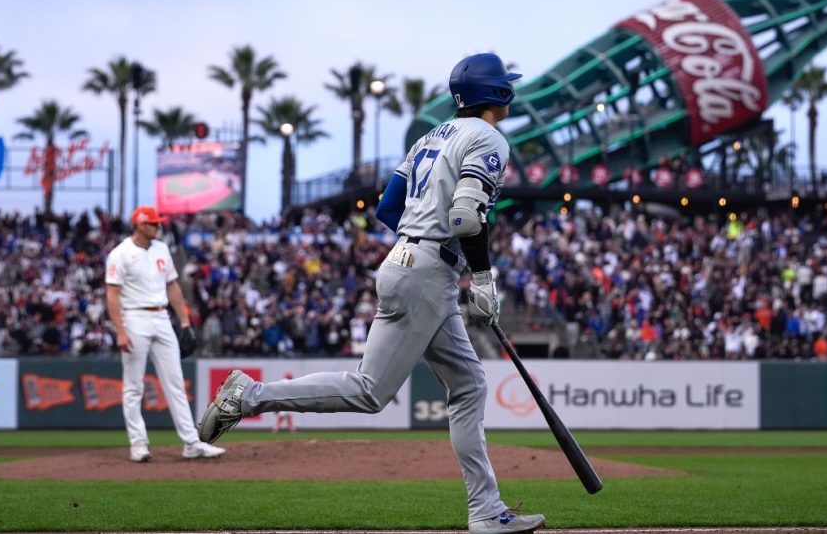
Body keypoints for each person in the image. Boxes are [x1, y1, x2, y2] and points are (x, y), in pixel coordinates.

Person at [198, 54, 545, 533]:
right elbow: (466, 217)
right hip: (428, 270)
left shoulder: (431, 136)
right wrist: (481, 277)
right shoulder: (488, 137)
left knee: (469, 387)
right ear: (497, 93)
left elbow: (387, 206)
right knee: (370, 391)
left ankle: (486, 511)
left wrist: (417, 242)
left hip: (412, 262)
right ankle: (249, 395)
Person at [106, 206, 225, 462]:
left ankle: (192, 443)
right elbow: (112, 295)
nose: (158, 227)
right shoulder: (120, 254)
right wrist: (120, 331)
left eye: (158, 224)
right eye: (153, 224)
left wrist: (184, 322)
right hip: (134, 316)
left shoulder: (161, 249)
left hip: (161, 317)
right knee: (134, 386)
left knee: (175, 383)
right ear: (139, 225)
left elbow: (172, 286)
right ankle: (138, 444)